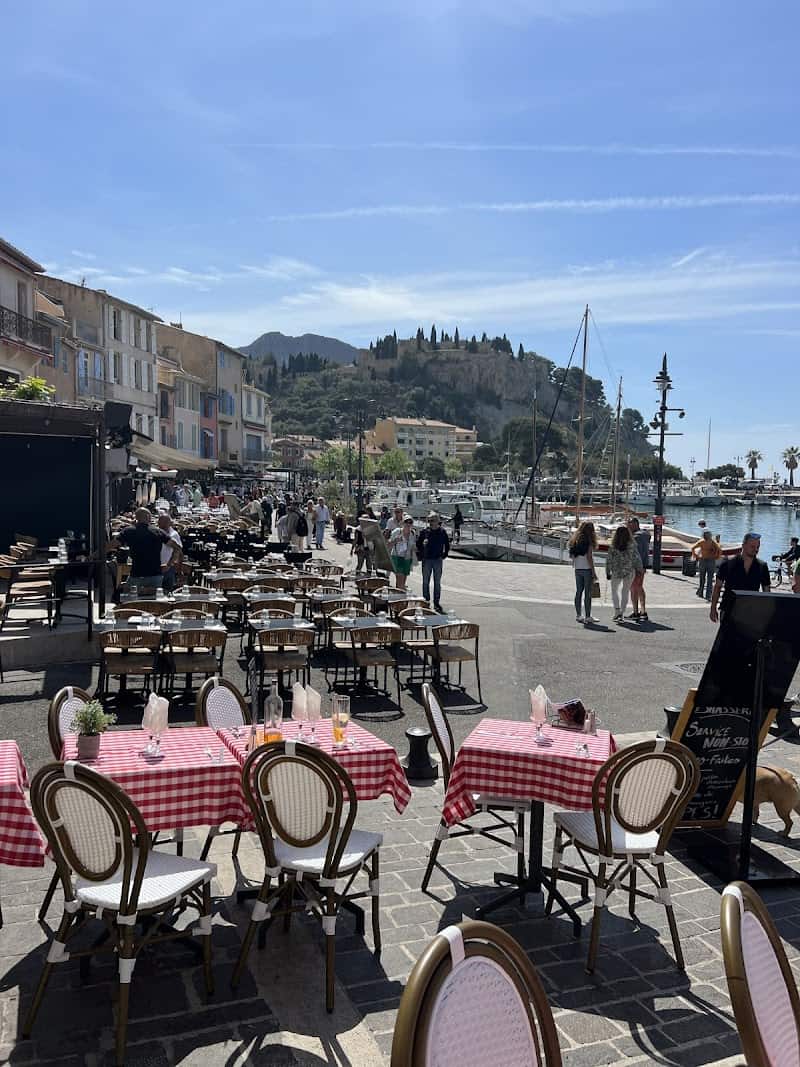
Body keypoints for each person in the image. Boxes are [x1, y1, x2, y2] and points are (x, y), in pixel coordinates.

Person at [112, 508, 180, 594]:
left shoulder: (128, 531)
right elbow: (177, 548)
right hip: (155, 575)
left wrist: (94, 555)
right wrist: (169, 564)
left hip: (136, 574)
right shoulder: (158, 532)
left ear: (136, 517)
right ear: (148, 517)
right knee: (153, 602)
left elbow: (111, 545)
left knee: (129, 599)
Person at [709, 532, 770, 624]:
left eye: (758, 547)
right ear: (743, 545)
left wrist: (765, 613)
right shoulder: (728, 564)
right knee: (727, 638)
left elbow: (767, 592)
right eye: (752, 546)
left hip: (751, 612)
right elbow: (717, 587)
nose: (756, 549)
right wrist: (713, 608)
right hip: (729, 609)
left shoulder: (762, 566)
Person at [605, 525, 643, 623]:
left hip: (616, 571)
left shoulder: (613, 546)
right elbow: (637, 558)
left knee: (614, 591)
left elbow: (608, 560)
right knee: (625, 592)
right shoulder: (632, 545)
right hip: (629, 572)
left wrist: (607, 571)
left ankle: (617, 611)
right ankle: (622, 612)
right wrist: (640, 569)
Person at [416, 512, 450, 611]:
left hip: (437, 560)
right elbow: (418, 544)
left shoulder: (442, 532)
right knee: (425, 581)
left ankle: (436, 602)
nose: (431, 523)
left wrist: (444, 555)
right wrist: (422, 545)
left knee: (437, 582)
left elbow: (447, 545)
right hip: (426, 559)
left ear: (438, 521)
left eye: (433, 520)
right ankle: (426, 601)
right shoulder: (424, 532)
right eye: (429, 521)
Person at [569, 521, 597, 624]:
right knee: (588, 593)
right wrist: (594, 572)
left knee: (579, 592)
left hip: (578, 569)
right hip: (587, 569)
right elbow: (589, 557)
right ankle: (588, 616)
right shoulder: (588, 541)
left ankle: (578, 615)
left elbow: (571, 555)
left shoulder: (574, 540)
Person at [627, 517, 651, 621]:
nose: (628, 526)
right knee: (639, 587)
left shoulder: (635, 537)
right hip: (643, 565)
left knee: (633, 589)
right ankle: (643, 611)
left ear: (635, 524)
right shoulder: (645, 535)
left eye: (630, 524)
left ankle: (636, 612)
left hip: (635, 566)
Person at [691, 530, 722, 601]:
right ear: (710, 536)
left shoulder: (701, 542)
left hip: (702, 560)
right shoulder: (712, 542)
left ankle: (700, 592)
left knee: (702, 578)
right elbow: (720, 550)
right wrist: (718, 557)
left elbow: (692, 548)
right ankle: (708, 595)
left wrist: (695, 555)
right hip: (711, 561)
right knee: (710, 579)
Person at [157, 512, 182, 592]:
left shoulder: (173, 535)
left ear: (169, 523)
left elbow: (179, 551)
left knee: (167, 591)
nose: (162, 525)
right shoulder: (157, 532)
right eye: (160, 523)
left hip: (168, 567)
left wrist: (172, 566)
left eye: (164, 523)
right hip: (156, 566)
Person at [389, 516, 416, 590]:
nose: (408, 524)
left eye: (410, 522)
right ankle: (399, 598)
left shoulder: (413, 533)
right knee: (400, 581)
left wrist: (415, 549)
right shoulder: (397, 531)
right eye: (406, 522)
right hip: (397, 557)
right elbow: (388, 544)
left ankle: (399, 596)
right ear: (402, 523)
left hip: (407, 559)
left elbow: (413, 547)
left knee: (403, 582)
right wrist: (396, 540)